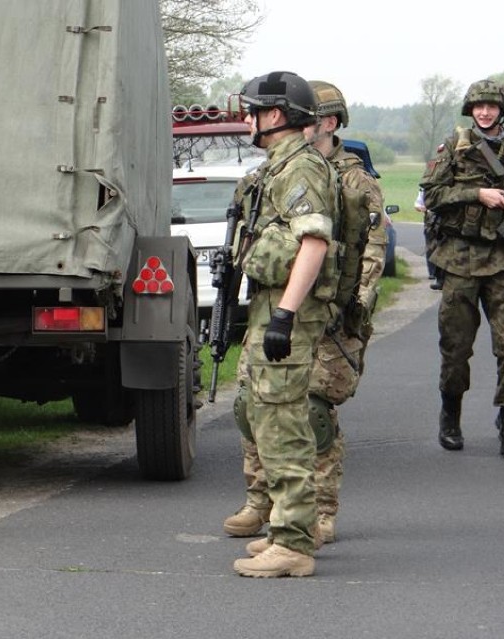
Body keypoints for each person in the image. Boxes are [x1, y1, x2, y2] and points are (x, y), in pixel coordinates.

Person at [223, 80, 387, 548]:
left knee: (307, 412)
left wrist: (339, 310)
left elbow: (364, 253)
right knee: (257, 406)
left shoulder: (337, 177)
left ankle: (315, 514)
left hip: (323, 311)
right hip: (280, 302)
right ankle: (265, 503)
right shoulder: (273, 172)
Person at [227, 71, 338, 578]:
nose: (247, 119)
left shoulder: (301, 170)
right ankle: (283, 527)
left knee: (284, 422)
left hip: (288, 309)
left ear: (274, 116)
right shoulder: (280, 168)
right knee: (261, 414)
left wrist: (286, 316)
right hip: (270, 304)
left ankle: (294, 543)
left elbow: (314, 242)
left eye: (253, 110)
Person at [420, 79, 504, 459]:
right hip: (460, 260)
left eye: (492, 106)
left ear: (503, 110)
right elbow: (430, 195)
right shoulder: (454, 147)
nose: (485, 112)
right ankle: (450, 418)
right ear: (471, 110)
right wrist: (476, 194)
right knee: (455, 347)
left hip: (503, 262)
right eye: (479, 106)